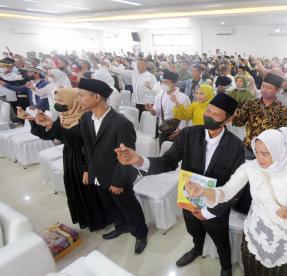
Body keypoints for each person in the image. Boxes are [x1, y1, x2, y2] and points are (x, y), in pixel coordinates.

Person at [114, 93, 245, 276]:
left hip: (215, 205)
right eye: (208, 110)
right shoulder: (189, 134)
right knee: (194, 231)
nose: (208, 115)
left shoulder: (236, 146)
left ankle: (225, 266)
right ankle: (197, 249)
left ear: (229, 118)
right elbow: (168, 161)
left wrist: (209, 211)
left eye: (216, 114)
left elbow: (235, 186)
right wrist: (139, 160)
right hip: (189, 198)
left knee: (220, 239)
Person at [185, 127, 287, 276]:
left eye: (265, 154)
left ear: (278, 151)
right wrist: (204, 191)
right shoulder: (250, 168)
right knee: (250, 269)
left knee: (276, 272)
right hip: (256, 230)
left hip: (284, 234)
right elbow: (226, 192)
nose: (259, 158)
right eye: (257, 152)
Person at [17, 88, 110, 231]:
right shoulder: (64, 116)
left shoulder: (86, 117)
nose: (58, 104)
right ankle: (86, 219)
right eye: (57, 101)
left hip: (86, 158)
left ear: (72, 101)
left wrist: (52, 126)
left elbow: (82, 141)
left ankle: (101, 219)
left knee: (90, 191)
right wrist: (32, 120)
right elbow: (48, 135)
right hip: (71, 157)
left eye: (61, 101)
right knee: (76, 189)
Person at [77, 78, 148, 254]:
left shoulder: (121, 123)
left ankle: (140, 233)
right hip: (98, 173)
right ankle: (120, 226)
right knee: (110, 205)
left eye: (81, 96)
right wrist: (87, 170)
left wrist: (118, 182)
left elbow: (127, 157)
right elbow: (87, 148)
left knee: (128, 205)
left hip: (117, 176)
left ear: (96, 97)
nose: (78, 100)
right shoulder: (86, 119)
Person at [233, 73, 287, 159]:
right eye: (263, 86)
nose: (264, 90)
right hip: (249, 148)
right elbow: (239, 122)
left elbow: (281, 134)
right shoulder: (251, 103)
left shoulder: (282, 109)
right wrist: (233, 115)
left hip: (268, 152)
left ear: (277, 90)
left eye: (269, 88)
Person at [146, 70, 191, 146]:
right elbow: (156, 113)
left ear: (174, 83)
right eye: (163, 82)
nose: (164, 84)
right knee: (163, 152)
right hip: (163, 129)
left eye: (167, 82)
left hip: (177, 131)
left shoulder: (183, 98)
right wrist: (151, 110)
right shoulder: (159, 95)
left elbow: (187, 117)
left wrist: (179, 131)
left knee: (175, 154)